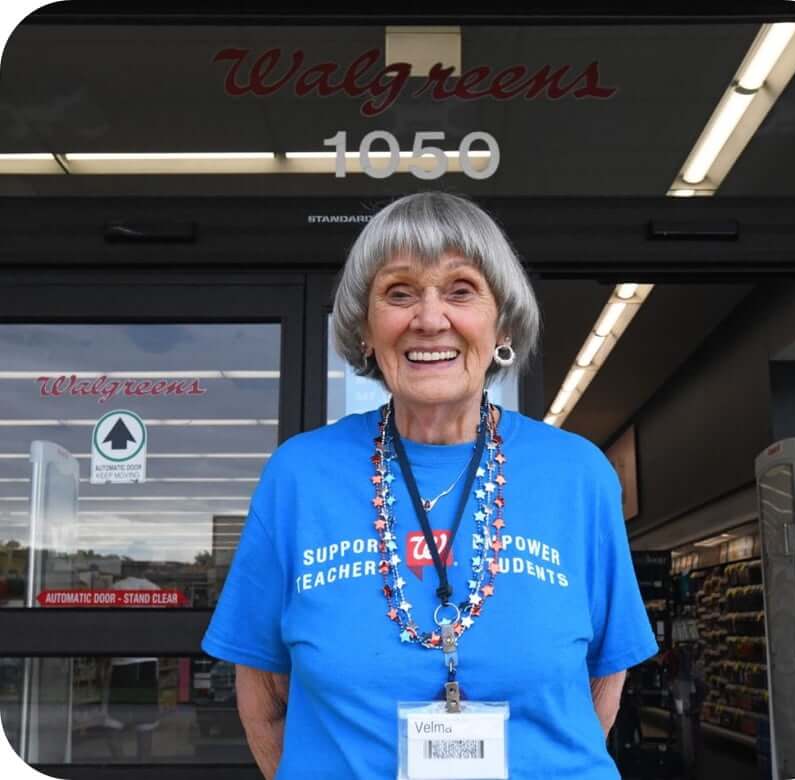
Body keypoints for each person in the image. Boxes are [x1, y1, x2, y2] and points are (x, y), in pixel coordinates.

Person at [202, 192, 657, 779]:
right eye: (399, 292)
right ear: (366, 331)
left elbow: (604, 680)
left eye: (461, 290)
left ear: (503, 326)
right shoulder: (299, 476)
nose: (430, 318)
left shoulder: (579, 475)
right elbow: (262, 697)